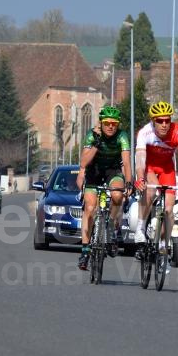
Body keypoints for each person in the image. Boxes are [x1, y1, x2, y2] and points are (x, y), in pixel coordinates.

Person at [133, 101, 178, 255]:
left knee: (169, 210)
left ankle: (162, 244)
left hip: (167, 168)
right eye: (159, 121)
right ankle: (140, 228)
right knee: (151, 191)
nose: (164, 124)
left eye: (167, 120)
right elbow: (140, 159)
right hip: (149, 167)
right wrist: (140, 178)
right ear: (153, 121)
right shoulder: (144, 133)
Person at [75, 105, 133, 270]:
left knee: (117, 196)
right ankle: (85, 250)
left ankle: (111, 225)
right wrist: (96, 144)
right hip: (94, 170)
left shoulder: (122, 136)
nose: (110, 126)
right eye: (107, 123)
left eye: (114, 123)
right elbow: (84, 163)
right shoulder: (91, 135)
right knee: (90, 208)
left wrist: (129, 181)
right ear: (100, 123)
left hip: (112, 170)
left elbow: (127, 162)